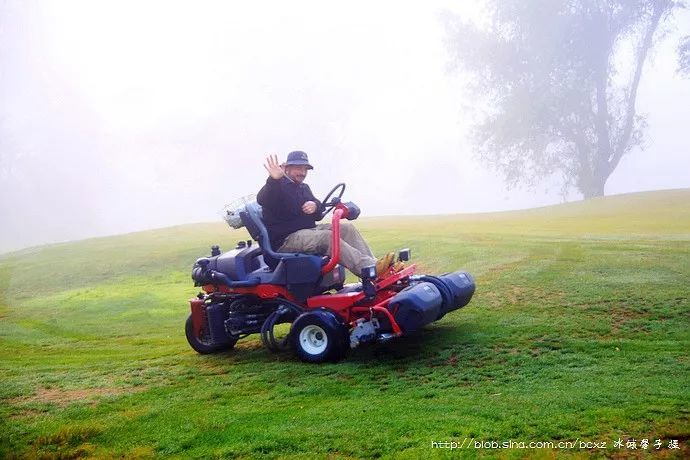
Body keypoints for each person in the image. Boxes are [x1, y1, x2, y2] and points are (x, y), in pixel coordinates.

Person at [257, 151, 400, 278]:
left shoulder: (303, 188)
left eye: (305, 169)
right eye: (298, 168)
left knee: (347, 228)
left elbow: (318, 214)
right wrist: (273, 179)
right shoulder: (276, 187)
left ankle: (375, 266)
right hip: (286, 240)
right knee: (328, 238)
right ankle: (368, 270)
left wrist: (315, 205)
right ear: (285, 168)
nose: (303, 172)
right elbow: (263, 199)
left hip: (307, 232)